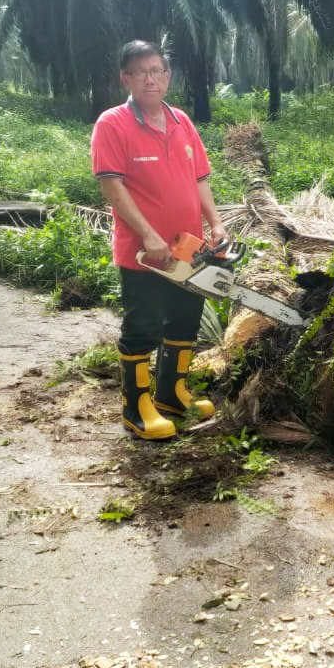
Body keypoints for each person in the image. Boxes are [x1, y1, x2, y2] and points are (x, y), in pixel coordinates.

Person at [91, 40, 227, 440]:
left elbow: (200, 179)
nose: (150, 79)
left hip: (188, 247)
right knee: (143, 328)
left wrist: (215, 224)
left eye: (157, 71)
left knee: (184, 322)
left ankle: (171, 393)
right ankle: (136, 408)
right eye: (140, 72)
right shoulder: (112, 124)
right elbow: (111, 185)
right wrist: (149, 235)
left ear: (168, 76)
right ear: (126, 78)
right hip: (144, 253)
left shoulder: (182, 121)